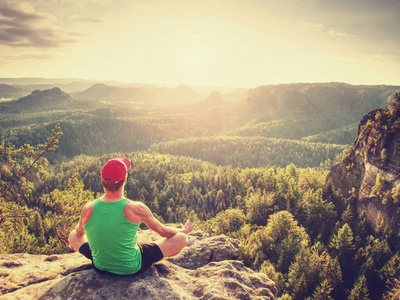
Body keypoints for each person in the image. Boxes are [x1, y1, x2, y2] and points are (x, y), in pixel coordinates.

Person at [68, 158, 193, 275]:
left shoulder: (88, 207)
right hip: (132, 267)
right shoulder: (135, 208)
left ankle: (105, 256)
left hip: (100, 266)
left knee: (72, 235)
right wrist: (183, 230)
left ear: (102, 181)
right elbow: (164, 232)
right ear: (124, 180)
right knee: (182, 238)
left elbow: (79, 233)